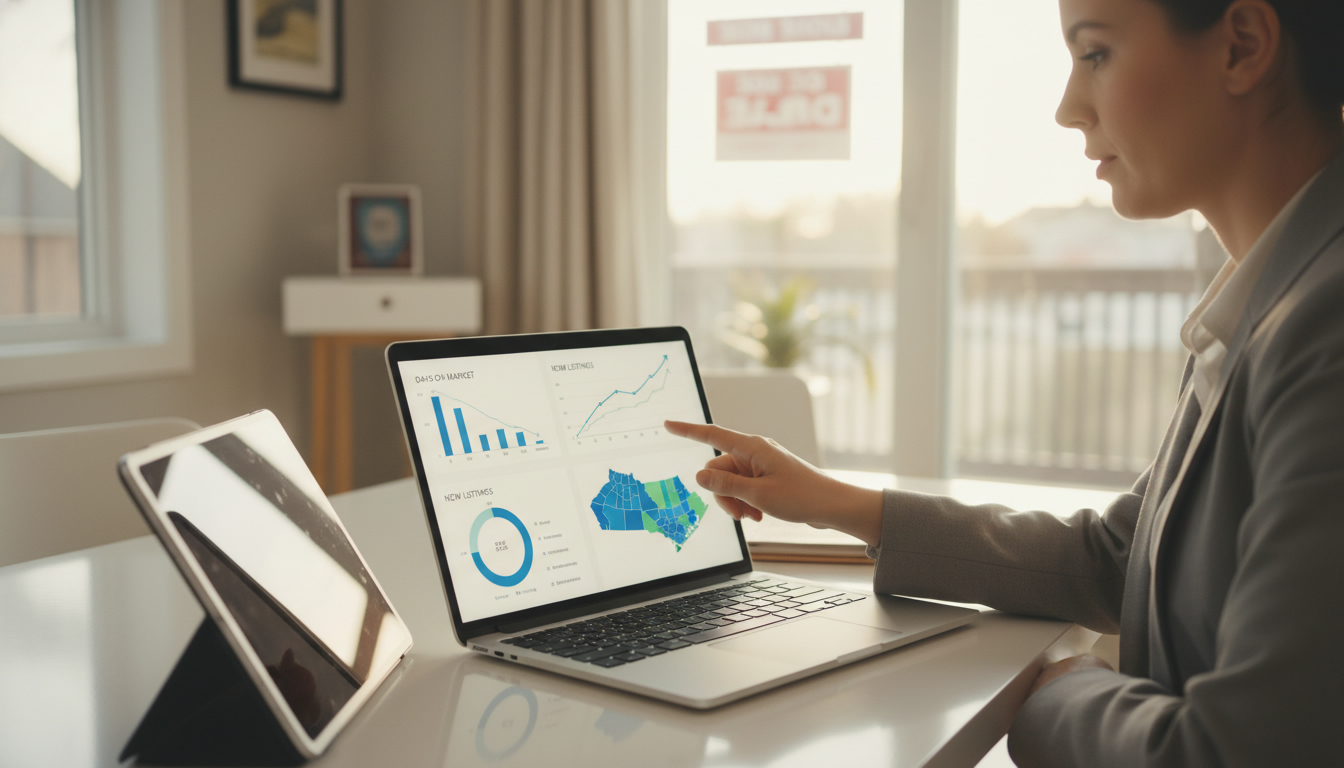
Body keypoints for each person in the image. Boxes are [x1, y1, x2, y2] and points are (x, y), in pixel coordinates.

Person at [668, 0, 1344, 764]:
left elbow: (1237, 752)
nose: (1067, 108)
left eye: (1094, 55)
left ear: (1242, 46)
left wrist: (1059, 694)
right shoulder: (1268, 295)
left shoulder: (1324, 327)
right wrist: (837, 503)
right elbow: (1121, 556)